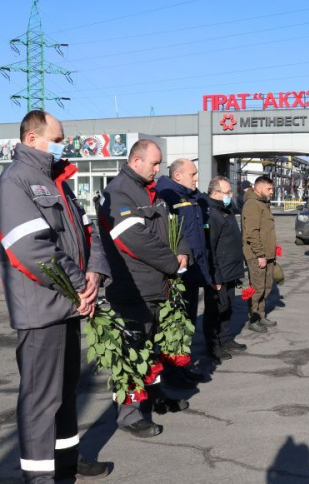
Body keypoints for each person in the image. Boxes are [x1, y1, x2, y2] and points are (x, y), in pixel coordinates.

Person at [0, 110, 110, 483]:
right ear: (32, 140)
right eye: (57, 138)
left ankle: (68, 461)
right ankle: (40, 477)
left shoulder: (57, 181)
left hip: (69, 304)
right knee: (41, 401)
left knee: (66, 392)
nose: (63, 144)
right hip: (41, 310)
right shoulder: (16, 182)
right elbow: (30, 249)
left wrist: (95, 274)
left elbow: (91, 234)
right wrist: (79, 287)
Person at [98, 139, 191, 438]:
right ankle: (129, 414)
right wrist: (170, 263)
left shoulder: (151, 191)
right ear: (136, 161)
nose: (158, 168)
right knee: (130, 354)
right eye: (154, 163)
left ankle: (156, 397)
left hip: (155, 285)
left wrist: (183, 251)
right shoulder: (119, 192)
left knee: (151, 349)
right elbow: (133, 238)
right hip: (132, 287)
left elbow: (173, 225)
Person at [154, 158, 211, 381]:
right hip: (178, 272)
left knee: (188, 322)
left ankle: (183, 366)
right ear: (177, 176)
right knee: (175, 323)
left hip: (193, 270)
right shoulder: (168, 196)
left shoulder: (190, 196)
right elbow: (171, 235)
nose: (196, 178)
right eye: (192, 174)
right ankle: (172, 372)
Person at [204, 176, 248, 360]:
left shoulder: (225, 209)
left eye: (231, 191)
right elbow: (210, 248)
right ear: (215, 193)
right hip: (219, 272)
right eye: (227, 192)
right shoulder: (211, 214)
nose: (231, 195)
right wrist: (216, 277)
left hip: (231, 269)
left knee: (228, 307)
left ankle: (226, 338)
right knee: (216, 309)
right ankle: (213, 344)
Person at [241, 175, 278, 333]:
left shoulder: (263, 204)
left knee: (266, 287)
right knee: (256, 288)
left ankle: (261, 315)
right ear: (259, 187)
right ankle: (253, 318)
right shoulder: (252, 204)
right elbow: (252, 233)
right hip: (257, 255)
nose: (271, 192)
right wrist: (260, 254)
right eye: (269, 189)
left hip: (267, 254)